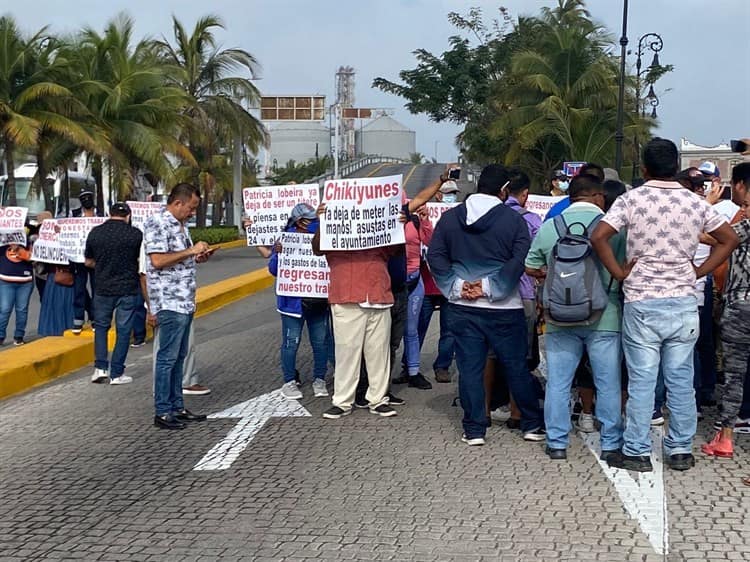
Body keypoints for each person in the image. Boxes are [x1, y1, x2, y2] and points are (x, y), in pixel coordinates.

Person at [592, 137, 738, 472]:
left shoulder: (632, 199)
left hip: (642, 299)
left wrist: (619, 271)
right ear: (675, 167)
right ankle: (680, 450)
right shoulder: (695, 202)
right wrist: (699, 269)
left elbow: (598, 236)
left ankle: (638, 450)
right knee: (680, 378)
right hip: (684, 300)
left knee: (643, 380)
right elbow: (729, 239)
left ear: (644, 168)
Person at [427, 164, 545, 446]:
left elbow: (436, 255)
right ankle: (530, 424)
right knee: (516, 366)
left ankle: (474, 428)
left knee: (470, 368)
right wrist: (491, 287)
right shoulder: (514, 221)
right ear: (504, 190)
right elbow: (520, 259)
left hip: (462, 307)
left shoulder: (451, 217)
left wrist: (457, 285)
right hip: (505, 308)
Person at [525, 174, 624, 460]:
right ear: (599, 197)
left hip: (560, 317)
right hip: (605, 315)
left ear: (571, 197)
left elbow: (530, 266)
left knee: (558, 381)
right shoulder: (612, 227)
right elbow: (626, 264)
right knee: (607, 382)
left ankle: (557, 443)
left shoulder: (550, 227)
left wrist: (554, 276)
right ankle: (610, 443)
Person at [145, 183, 213, 430]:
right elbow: (158, 260)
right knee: (168, 357)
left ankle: (177, 406)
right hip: (168, 300)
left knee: (179, 357)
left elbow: (181, 257)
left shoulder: (181, 226)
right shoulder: (157, 223)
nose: (193, 212)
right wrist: (190, 251)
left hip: (184, 299)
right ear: (178, 203)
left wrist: (198, 255)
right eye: (191, 207)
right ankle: (163, 410)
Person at [702, 163, 750, 461]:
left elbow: (720, 238)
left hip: (741, 304)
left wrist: (704, 209)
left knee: (734, 375)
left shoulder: (746, 223)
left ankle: (727, 438)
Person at [269, 203, 330, 400]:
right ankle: (289, 381)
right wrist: (278, 253)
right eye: (309, 220)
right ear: (299, 221)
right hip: (292, 303)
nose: (311, 223)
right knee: (290, 343)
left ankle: (319, 379)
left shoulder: (322, 232)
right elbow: (273, 270)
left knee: (320, 343)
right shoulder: (284, 238)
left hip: (318, 300)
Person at [85, 202, 142, 385]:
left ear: (110, 214)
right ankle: (117, 373)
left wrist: (101, 266)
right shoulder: (135, 235)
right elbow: (142, 262)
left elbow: (88, 261)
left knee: (101, 328)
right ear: (128, 215)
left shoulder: (96, 233)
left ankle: (100, 368)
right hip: (128, 288)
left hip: (103, 288)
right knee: (124, 331)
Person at [396, 203, 433, 389]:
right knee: (388, 334)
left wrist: (425, 221)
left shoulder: (415, 221)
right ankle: (380, 375)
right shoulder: (384, 219)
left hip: (414, 281)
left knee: (411, 330)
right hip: (393, 283)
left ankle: (413, 372)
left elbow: (430, 241)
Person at [71, 190, 98, 334]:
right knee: (79, 289)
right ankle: (78, 320)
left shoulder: (100, 216)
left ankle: (94, 318)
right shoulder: (74, 216)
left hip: (95, 259)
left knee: (96, 289)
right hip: (78, 259)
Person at [0, 239, 34, 346]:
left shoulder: (29, 239)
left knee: (22, 310)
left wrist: (19, 249)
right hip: (6, 280)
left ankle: (19, 336)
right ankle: (0, 336)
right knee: (5, 309)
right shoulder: (2, 238)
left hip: (25, 281)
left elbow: (33, 257)